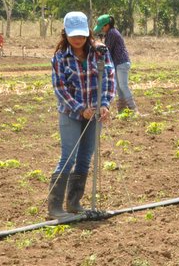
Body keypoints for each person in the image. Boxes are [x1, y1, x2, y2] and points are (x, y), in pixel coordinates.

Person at [48, 11, 115, 219]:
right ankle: (55, 208)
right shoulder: (60, 58)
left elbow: (108, 79)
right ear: (65, 34)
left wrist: (104, 104)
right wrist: (80, 109)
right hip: (71, 113)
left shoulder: (100, 54)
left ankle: (74, 203)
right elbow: (60, 88)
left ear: (88, 33)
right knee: (68, 157)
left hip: (95, 113)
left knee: (85, 158)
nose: (78, 40)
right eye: (73, 35)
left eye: (82, 35)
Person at [94, 14, 138, 113]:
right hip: (119, 63)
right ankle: (122, 110)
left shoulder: (112, 33)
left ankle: (134, 109)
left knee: (123, 86)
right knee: (118, 87)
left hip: (121, 62)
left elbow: (106, 50)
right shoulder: (111, 33)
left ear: (107, 25)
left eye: (102, 27)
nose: (102, 30)